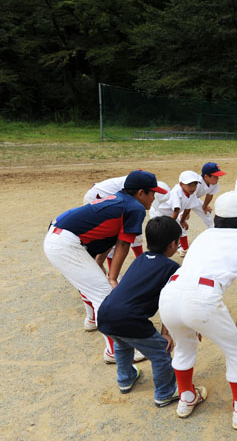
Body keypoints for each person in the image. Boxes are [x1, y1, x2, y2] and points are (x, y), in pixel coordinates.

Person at [158, 191, 237, 429]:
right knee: (235, 351)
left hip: (170, 295)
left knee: (184, 348)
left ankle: (186, 398)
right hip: (202, 299)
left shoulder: (204, 235)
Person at [43, 170, 167, 362]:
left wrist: (99, 262)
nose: (154, 198)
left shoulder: (120, 199)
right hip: (66, 243)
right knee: (104, 293)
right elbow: (124, 244)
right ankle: (113, 351)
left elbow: (111, 236)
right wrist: (112, 278)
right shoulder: (136, 208)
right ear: (141, 193)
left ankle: (92, 319)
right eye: (153, 193)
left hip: (60, 236)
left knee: (90, 284)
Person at [96, 216, 181, 407]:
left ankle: (125, 379)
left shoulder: (141, 258)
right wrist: (165, 334)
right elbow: (169, 302)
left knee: (122, 343)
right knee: (160, 352)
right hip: (129, 320)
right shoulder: (172, 268)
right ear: (172, 245)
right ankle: (164, 393)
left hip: (106, 314)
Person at [83, 175, 144, 262]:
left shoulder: (136, 183)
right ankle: (107, 269)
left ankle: (140, 260)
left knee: (128, 228)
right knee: (110, 233)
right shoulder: (134, 186)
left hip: (103, 195)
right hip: (97, 197)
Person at [150, 170, 201, 257]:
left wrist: (182, 220)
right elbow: (176, 210)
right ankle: (158, 251)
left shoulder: (191, 193)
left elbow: (188, 208)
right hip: (158, 213)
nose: (193, 188)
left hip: (171, 213)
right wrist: (170, 225)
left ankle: (184, 249)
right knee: (161, 232)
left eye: (195, 185)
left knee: (182, 229)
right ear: (181, 184)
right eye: (190, 185)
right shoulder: (176, 192)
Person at [183, 162, 226, 229]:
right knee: (182, 219)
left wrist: (204, 206)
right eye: (215, 176)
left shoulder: (214, 183)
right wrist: (186, 213)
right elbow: (189, 197)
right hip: (183, 199)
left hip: (194, 198)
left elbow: (210, 195)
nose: (218, 178)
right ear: (206, 177)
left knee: (207, 214)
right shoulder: (196, 183)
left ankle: (212, 232)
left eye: (218, 176)